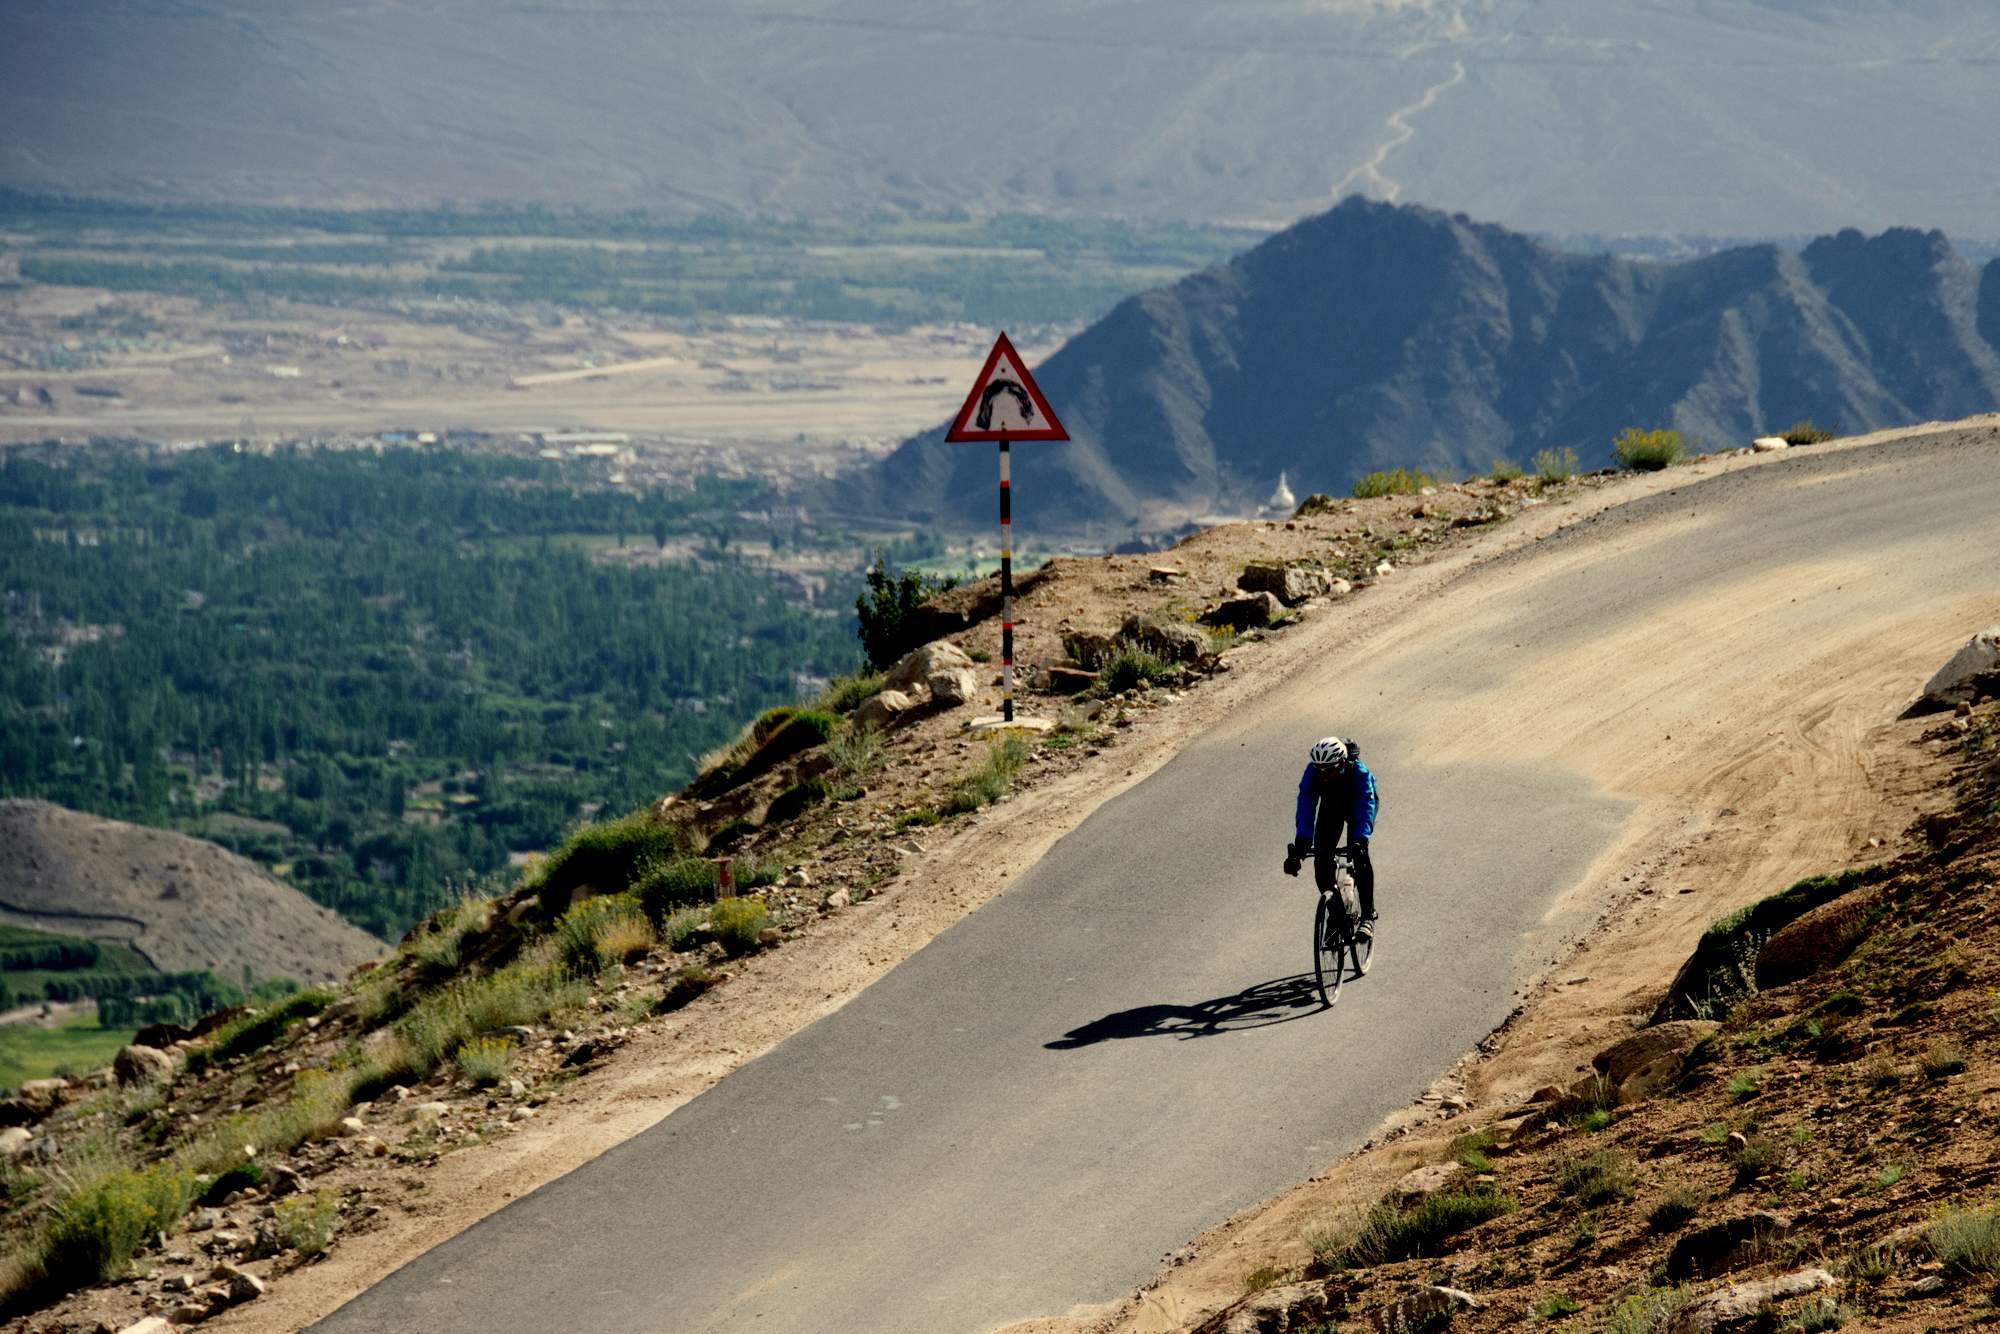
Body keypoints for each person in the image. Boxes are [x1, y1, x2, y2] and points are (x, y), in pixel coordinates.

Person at [1282, 735, 1379, 937]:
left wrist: (1360, 839)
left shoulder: (1359, 774)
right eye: (1320, 769)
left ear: (1342, 763)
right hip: (1331, 806)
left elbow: (1365, 807)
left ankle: (1367, 916)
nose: (1324, 774)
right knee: (1321, 863)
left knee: (1360, 856)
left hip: (1357, 806)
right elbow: (1306, 806)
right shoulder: (1314, 772)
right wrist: (1301, 846)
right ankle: (1336, 915)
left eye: (1330, 769)